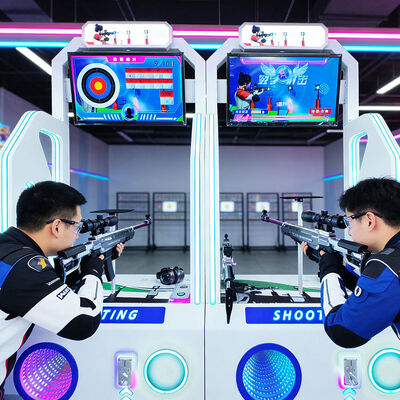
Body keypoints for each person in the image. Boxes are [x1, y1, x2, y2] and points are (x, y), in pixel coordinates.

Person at [0, 181, 124, 397]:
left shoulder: (9, 251)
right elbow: (84, 322)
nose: (77, 234)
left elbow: (40, 290)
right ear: (57, 226)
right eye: (77, 226)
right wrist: (94, 271)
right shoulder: (25, 267)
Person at [301, 177, 400, 348]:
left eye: (349, 222)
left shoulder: (386, 267)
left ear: (369, 220)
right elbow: (382, 295)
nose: (349, 232)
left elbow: (341, 330)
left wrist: (329, 270)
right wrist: (341, 271)